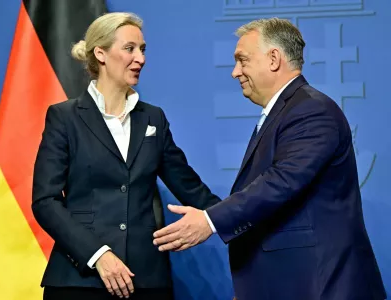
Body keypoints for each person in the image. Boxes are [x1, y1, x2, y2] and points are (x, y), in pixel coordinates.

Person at [153, 18, 386, 300]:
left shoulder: (311, 110)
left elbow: (281, 182)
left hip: (321, 287)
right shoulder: (287, 111)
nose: (235, 72)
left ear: (274, 59)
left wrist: (209, 220)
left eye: (242, 60)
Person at [32, 12, 220, 300]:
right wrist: (98, 255)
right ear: (101, 54)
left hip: (144, 280)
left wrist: (235, 218)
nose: (141, 59)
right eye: (130, 48)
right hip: (79, 281)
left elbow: (191, 188)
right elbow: (45, 201)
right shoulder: (64, 117)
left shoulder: (154, 118)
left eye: (142, 50)